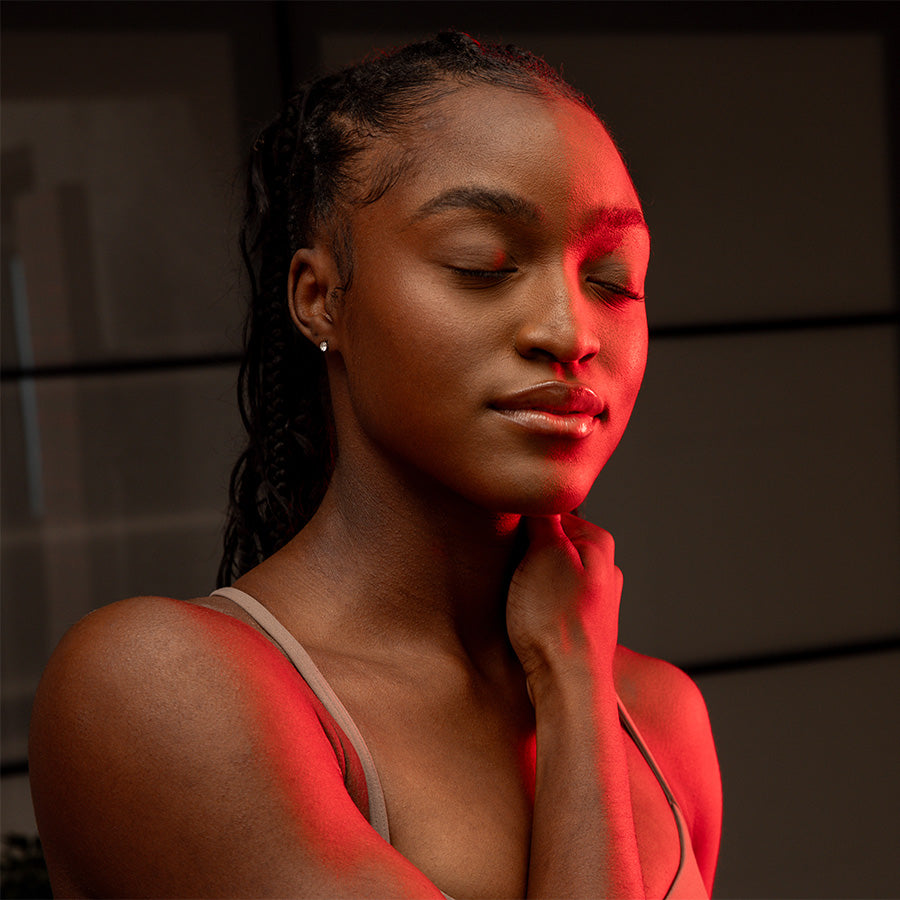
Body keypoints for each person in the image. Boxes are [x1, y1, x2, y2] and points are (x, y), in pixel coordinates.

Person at [28, 32, 722, 899]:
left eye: (613, 281)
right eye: (483, 265)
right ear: (319, 296)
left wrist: (577, 676)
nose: (571, 332)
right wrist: (572, 692)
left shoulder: (661, 717)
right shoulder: (154, 690)